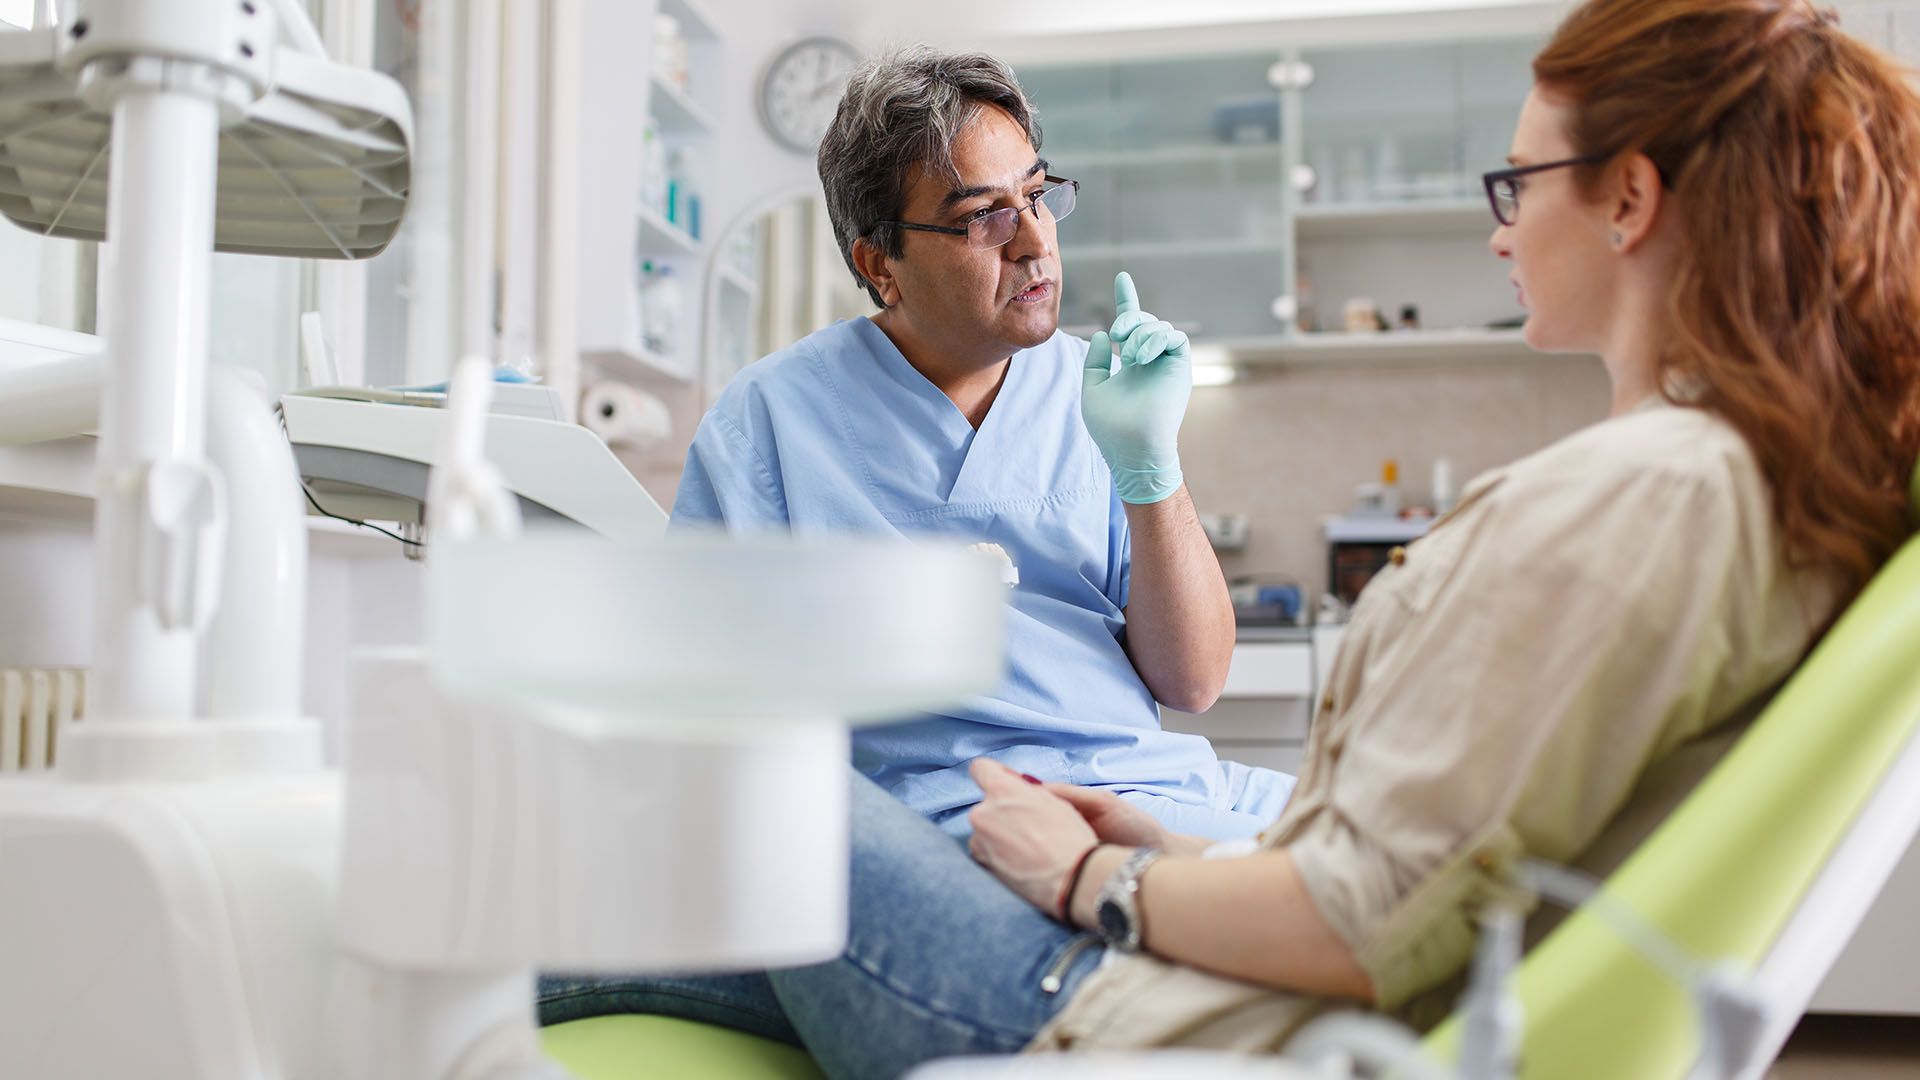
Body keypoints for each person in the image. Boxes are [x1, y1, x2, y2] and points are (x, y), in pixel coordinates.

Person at [541, 1, 1920, 1076]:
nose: (1498, 230)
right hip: (1068, 877)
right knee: (729, 807)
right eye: (980, 216)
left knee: (740, 812)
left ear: (1628, 202)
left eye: (1518, 185)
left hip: (1109, 978)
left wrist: (1100, 877)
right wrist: (1137, 858)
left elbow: (1365, 901)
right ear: (876, 259)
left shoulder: (1641, 497)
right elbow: (1410, 877)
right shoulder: (1718, 479)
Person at [669, 47, 1294, 840]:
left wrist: (1152, 470)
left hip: (1149, 776)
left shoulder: (1092, 391)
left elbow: (1195, 682)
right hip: (956, 816)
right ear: (879, 263)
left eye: (1037, 196)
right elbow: (705, 701)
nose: (1034, 242)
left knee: (1414, 849)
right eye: (983, 217)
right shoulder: (771, 420)